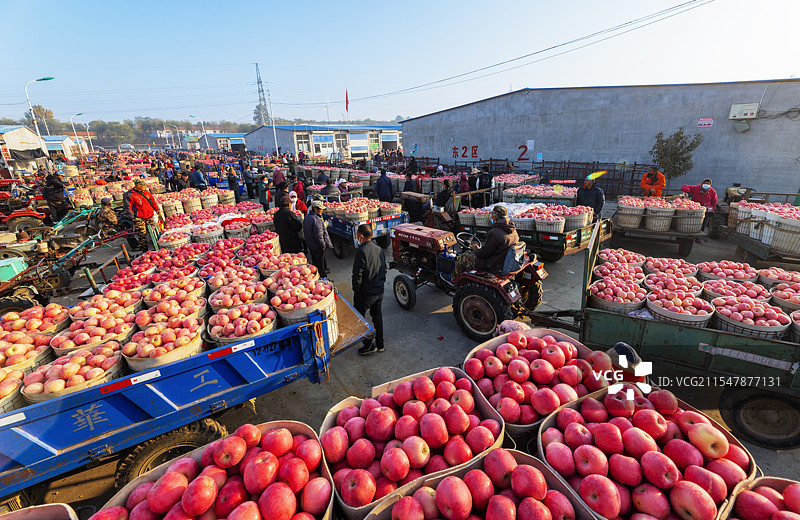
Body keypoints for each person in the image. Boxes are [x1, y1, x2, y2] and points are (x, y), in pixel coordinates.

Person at [352, 223, 386, 355]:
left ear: (361, 236)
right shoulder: (379, 249)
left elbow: (357, 275)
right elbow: (384, 269)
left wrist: (357, 290)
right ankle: (380, 344)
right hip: (379, 291)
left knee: (359, 318)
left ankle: (368, 345)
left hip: (365, 293)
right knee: (377, 317)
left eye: (357, 235)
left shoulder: (361, 251)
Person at [465, 205, 519, 275]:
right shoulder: (512, 229)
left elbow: (485, 253)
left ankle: (454, 279)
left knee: (464, 257)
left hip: (493, 265)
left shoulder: (494, 233)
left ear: (495, 216)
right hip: (502, 261)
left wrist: (476, 250)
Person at [303, 199, 333, 278]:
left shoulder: (307, 217)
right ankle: (323, 278)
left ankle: (317, 276)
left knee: (315, 262)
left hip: (311, 244)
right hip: (317, 245)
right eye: (320, 209)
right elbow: (319, 235)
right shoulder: (316, 219)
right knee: (320, 264)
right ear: (315, 209)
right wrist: (322, 245)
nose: (321, 211)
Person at [128, 179, 160, 251]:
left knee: (153, 231)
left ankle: (156, 248)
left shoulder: (147, 193)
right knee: (142, 234)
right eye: (143, 185)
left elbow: (152, 202)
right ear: (138, 185)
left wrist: (157, 209)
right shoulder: (130, 195)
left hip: (149, 215)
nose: (145, 187)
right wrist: (133, 217)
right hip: (139, 217)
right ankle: (144, 251)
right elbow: (128, 207)